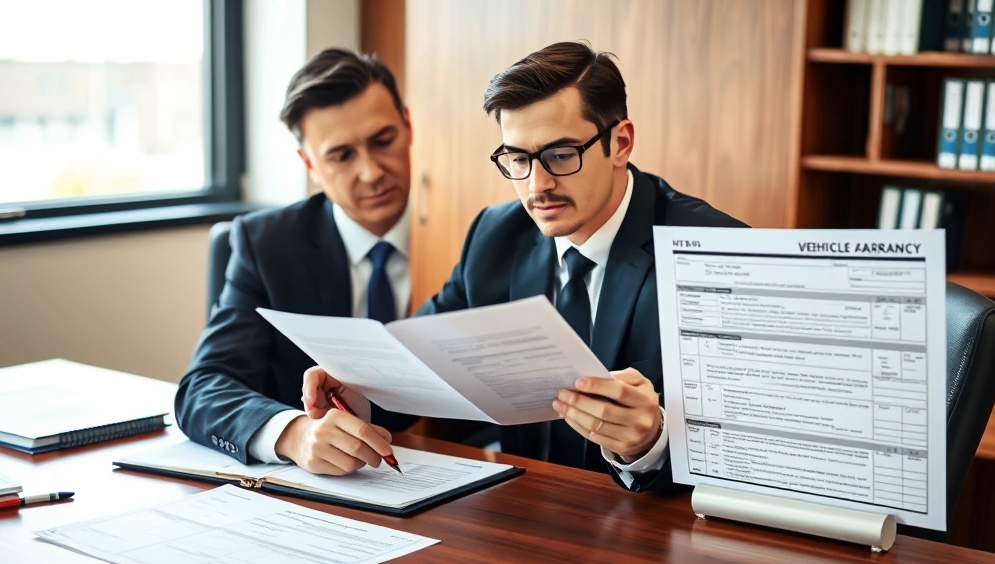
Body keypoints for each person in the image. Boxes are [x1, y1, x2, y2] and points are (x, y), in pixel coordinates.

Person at [302, 41, 746, 492]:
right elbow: (422, 361)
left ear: (621, 143)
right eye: (517, 158)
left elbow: (754, 445)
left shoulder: (717, 257)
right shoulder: (495, 236)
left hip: (658, 527)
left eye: (560, 154)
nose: (537, 185)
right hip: (525, 511)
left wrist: (652, 441)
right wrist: (357, 387)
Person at [174, 48, 420, 476]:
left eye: (383, 141)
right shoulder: (267, 244)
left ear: (408, 125)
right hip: (324, 491)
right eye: (342, 155)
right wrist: (295, 433)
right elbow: (202, 389)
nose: (372, 172)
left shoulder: (477, 238)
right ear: (309, 165)